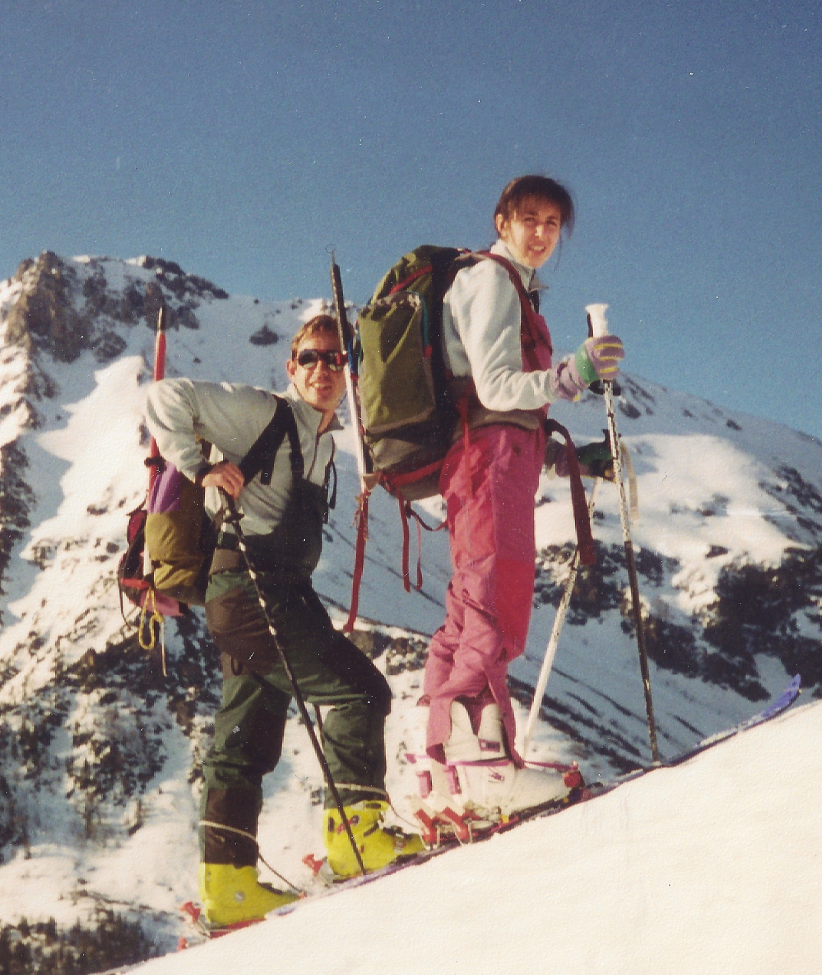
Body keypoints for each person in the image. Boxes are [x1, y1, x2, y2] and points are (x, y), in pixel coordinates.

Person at [145, 315, 426, 927]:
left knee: (245, 735)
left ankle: (228, 885)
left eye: (335, 359)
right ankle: (358, 840)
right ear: (291, 366)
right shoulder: (261, 413)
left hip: (268, 590)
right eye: (311, 359)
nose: (323, 370)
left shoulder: (325, 439)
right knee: (360, 691)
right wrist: (199, 467)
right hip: (250, 587)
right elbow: (163, 396)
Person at [417, 174, 624, 830]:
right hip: (487, 464)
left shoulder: (509, 288)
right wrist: (572, 376)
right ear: (501, 220)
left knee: (469, 607)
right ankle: (485, 771)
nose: (540, 233)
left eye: (552, 224)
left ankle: (447, 768)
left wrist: (566, 459)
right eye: (528, 218)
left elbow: (500, 406)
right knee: (492, 600)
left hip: (493, 459)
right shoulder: (489, 280)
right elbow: (498, 386)